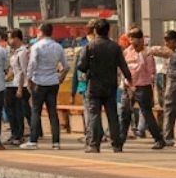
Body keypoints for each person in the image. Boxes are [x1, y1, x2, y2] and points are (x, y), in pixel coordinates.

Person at [79, 19, 132, 153]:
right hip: (110, 86)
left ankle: (94, 144)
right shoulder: (115, 47)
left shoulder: (89, 47)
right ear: (108, 30)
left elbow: (82, 66)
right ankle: (116, 144)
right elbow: (124, 66)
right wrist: (129, 80)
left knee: (94, 115)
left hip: (94, 86)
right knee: (112, 115)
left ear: (95, 31)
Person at [119, 30, 168, 149]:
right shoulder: (126, 52)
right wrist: (126, 83)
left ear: (141, 40)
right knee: (125, 114)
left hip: (143, 87)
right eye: (130, 40)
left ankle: (159, 139)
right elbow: (122, 69)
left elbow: (152, 71)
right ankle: (119, 141)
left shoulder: (147, 53)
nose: (132, 43)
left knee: (147, 114)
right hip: (128, 87)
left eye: (134, 40)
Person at [24, 22, 66, 150]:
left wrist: (28, 79)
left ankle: (33, 141)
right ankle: (56, 142)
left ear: (41, 32)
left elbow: (32, 65)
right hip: (53, 82)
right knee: (52, 112)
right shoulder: (58, 47)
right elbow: (66, 65)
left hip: (39, 82)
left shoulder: (36, 47)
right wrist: (61, 76)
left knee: (36, 111)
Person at [149, 30, 176, 147]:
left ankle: (168, 137)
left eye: (167, 41)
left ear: (174, 41)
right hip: (172, 82)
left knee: (168, 109)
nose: (166, 44)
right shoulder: (172, 52)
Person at [5, 29, 30, 146]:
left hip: (21, 86)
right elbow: (13, 70)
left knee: (18, 111)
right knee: (11, 111)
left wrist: (20, 88)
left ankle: (19, 135)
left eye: (10, 38)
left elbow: (23, 71)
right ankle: (14, 133)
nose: (9, 41)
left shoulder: (23, 52)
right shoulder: (14, 52)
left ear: (16, 38)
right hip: (12, 84)